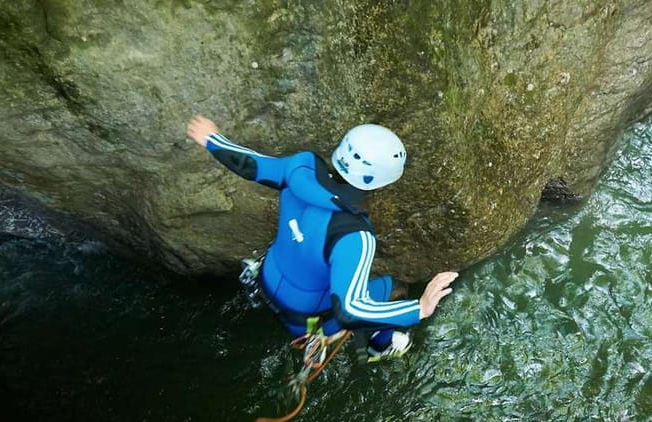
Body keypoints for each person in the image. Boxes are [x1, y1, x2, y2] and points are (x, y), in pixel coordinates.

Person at [187, 115, 458, 361]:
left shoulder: (299, 168)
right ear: (383, 182)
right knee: (396, 288)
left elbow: (251, 165)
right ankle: (380, 344)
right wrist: (419, 309)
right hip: (307, 321)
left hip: (264, 283)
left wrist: (213, 139)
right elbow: (349, 311)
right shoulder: (356, 236)